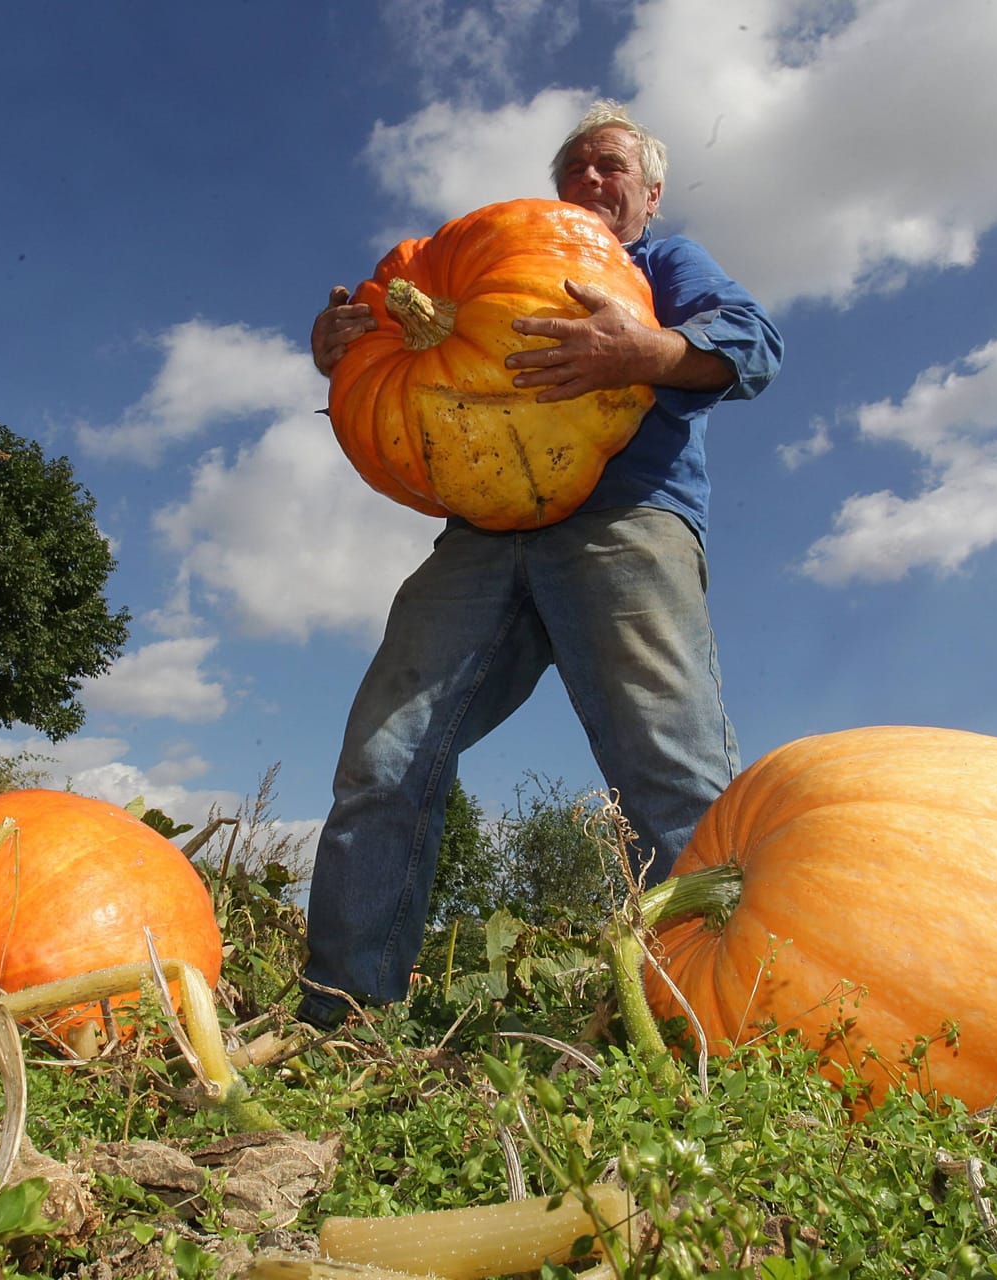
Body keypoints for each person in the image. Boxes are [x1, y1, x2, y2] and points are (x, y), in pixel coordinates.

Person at [299, 100, 783, 1030]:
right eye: (577, 170)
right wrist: (349, 344)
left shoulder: (663, 266)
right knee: (382, 757)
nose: (593, 182)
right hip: (483, 538)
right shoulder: (492, 268)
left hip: (626, 522)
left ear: (650, 193)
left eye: (612, 168)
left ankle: (720, 1020)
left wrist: (649, 350)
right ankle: (343, 1016)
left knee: (669, 771)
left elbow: (757, 345)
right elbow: (403, 392)